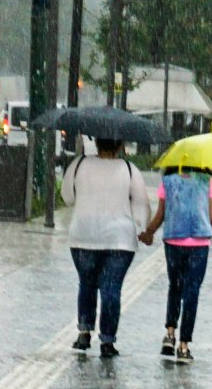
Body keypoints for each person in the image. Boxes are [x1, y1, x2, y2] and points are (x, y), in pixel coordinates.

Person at [60, 137, 152, 358]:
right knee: (111, 290)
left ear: (97, 142)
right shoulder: (129, 170)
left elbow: (67, 197)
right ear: (120, 145)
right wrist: (143, 228)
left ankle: (84, 333)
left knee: (87, 284)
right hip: (119, 240)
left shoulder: (79, 164)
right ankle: (107, 341)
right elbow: (141, 204)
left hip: (84, 235)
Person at [140, 164, 212, 364]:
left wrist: (149, 232)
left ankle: (169, 334)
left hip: (173, 240)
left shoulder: (168, 181)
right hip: (199, 243)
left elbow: (161, 215)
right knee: (192, 293)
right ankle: (184, 346)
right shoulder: (207, 180)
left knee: (175, 287)